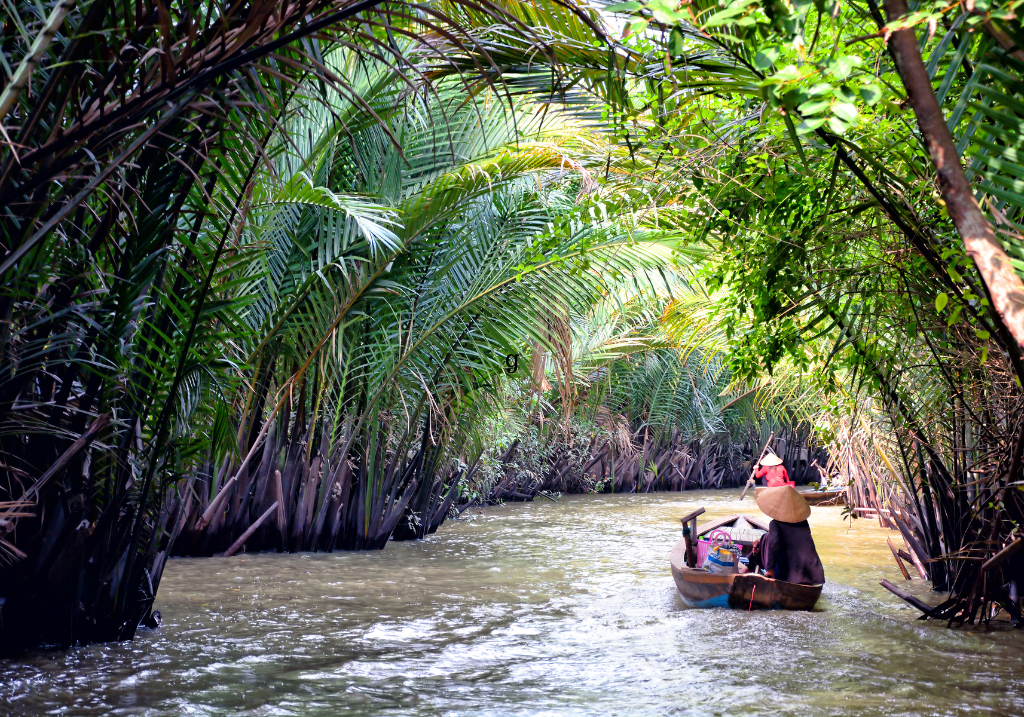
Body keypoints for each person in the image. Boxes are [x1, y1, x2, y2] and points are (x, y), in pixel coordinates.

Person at [754, 485, 825, 585]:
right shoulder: (803, 522)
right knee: (765, 538)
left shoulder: (774, 524)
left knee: (765, 539)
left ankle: (750, 565)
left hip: (790, 576)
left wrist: (770, 569)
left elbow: (774, 544)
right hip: (812, 574)